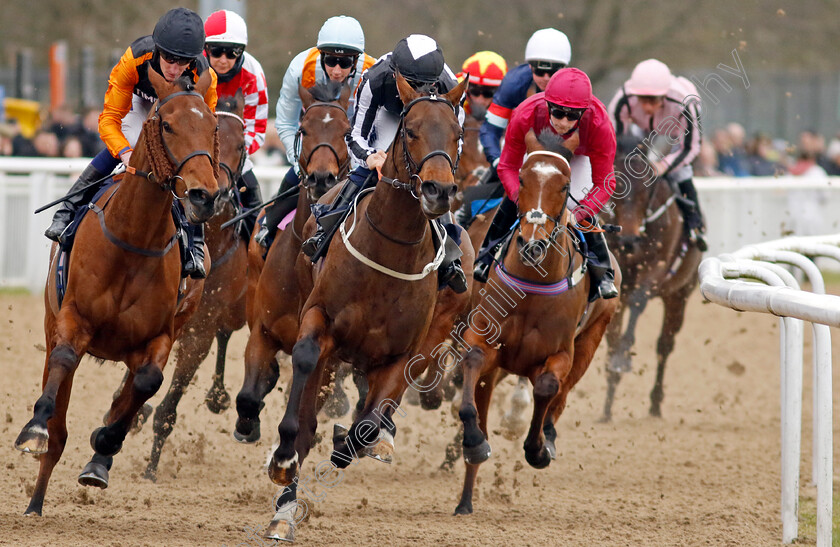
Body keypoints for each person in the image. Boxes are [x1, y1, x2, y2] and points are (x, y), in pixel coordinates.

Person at [43, 7, 217, 279]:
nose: (174, 69)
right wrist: (125, 153)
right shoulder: (134, 59)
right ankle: (68, 210)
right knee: (131, 142)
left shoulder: (206, 76)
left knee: (185, 161)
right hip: (139, 103)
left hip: (180, 109)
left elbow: (202, 128)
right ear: (158, 50)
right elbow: (110, 119)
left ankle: (194, 240)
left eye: (182, 62)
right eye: (169, 59)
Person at [300, 34, 468, 293]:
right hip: (385, 118)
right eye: (412, 84)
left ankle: (450, 257)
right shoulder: (375, 78)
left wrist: (437, 168)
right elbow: (354, 135)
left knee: (437, 184)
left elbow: (455, 141)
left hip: (429, 123)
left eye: (426, 85)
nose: (419, 91)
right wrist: (370, 157)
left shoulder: (449, 85)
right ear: (395, 76)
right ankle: (325, 230)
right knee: (368, 171)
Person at [474, 68, 619, 300]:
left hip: (578, 158)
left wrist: (580, 213)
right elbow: (507, 167)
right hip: (537, 154)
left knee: (576, 202)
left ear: (585, 112)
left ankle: (603, 274)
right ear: (547, 105)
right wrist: (521, 198)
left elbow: (605, 183)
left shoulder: (600, 124)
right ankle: (485, 257)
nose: (563, 122)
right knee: (521, 196)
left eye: (572, 116)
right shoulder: (525, 113)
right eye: (558, 113)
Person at [255, 15, 375, 249]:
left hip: (357, 144)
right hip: (317, 141)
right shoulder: (299, 69)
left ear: (357, 59)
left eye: (346, 62)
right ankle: (268, 228)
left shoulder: (374, 73)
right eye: (330, 60)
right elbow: (287, 123)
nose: (337, 70)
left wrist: (361, 158)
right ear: (321, 56)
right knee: (292, 179)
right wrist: (298, 161)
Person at [608, 58, 707, 251]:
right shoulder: (622, 99)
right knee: (624, 174)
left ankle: (694, 223)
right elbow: (615, 142)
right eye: (642, 99)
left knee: (681, 173)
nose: (646, 107)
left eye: (652, 100)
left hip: (673, 131)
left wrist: (662, 166)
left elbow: (691, 147)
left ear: (664, 95)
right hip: (639, 130)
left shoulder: (686, 103)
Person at [203, 9, 268, 240]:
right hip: (196, 150)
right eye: (217, 51)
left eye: (232, 53)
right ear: (206, 49)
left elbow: (257, 129)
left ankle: (259, 247)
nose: (223, 59)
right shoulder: (193, 69)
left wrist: (230, 157)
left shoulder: (253, 74)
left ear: (242, 52)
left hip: (233, 155)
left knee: (253, 198)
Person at [479, 28, 572, 177]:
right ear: (530, 67)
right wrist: (497, 161)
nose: (546, 78)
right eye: (540, 72)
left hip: (563, 155)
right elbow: (491, 130)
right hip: (522, 151)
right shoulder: (513, 84)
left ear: (564, 68)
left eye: (553, 72)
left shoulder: (575, 87)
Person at [458, 51, 507, 122]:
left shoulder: (511, 104)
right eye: (475, 92)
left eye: (487, 94)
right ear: (466, 89)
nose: (479, 100)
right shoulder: (455, 94)